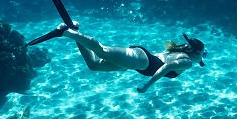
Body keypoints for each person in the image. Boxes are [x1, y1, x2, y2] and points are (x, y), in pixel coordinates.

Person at [56, 22, 207, 93]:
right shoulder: (187, 63)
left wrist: (200, 58)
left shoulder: (181, 53)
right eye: (202, 53)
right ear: (194, 52)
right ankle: (67, 32)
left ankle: (74, 31)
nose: (203, 57)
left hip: (138, 60)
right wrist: (147, 86)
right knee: (102, 51)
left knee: (94, 64)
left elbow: (193, 58)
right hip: (142, 61)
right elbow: (166, 67)